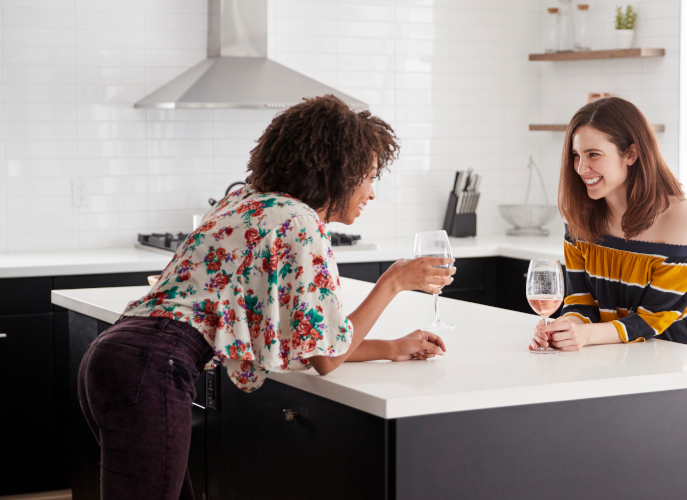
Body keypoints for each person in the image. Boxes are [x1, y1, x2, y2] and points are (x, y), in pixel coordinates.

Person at [77, 95, 454, 500]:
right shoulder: (302, 223)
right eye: (370, 175)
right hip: (153, 369)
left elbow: (310, 345)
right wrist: (392, 282)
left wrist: (390, 348)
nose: (372, 193)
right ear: (340, 169)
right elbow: (327, 361)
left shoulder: (244, 203)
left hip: (114, 354)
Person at [530, 97, 687, 352]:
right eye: (576, 155)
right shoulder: (578, 214)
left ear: (631, 154)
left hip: (673, 356)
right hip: (610, 355)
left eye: (594, 154)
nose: (581, 168)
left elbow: (656, 316)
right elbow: (581, 301)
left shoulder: (679, 217)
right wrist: (564, 328)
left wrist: (588, 335)